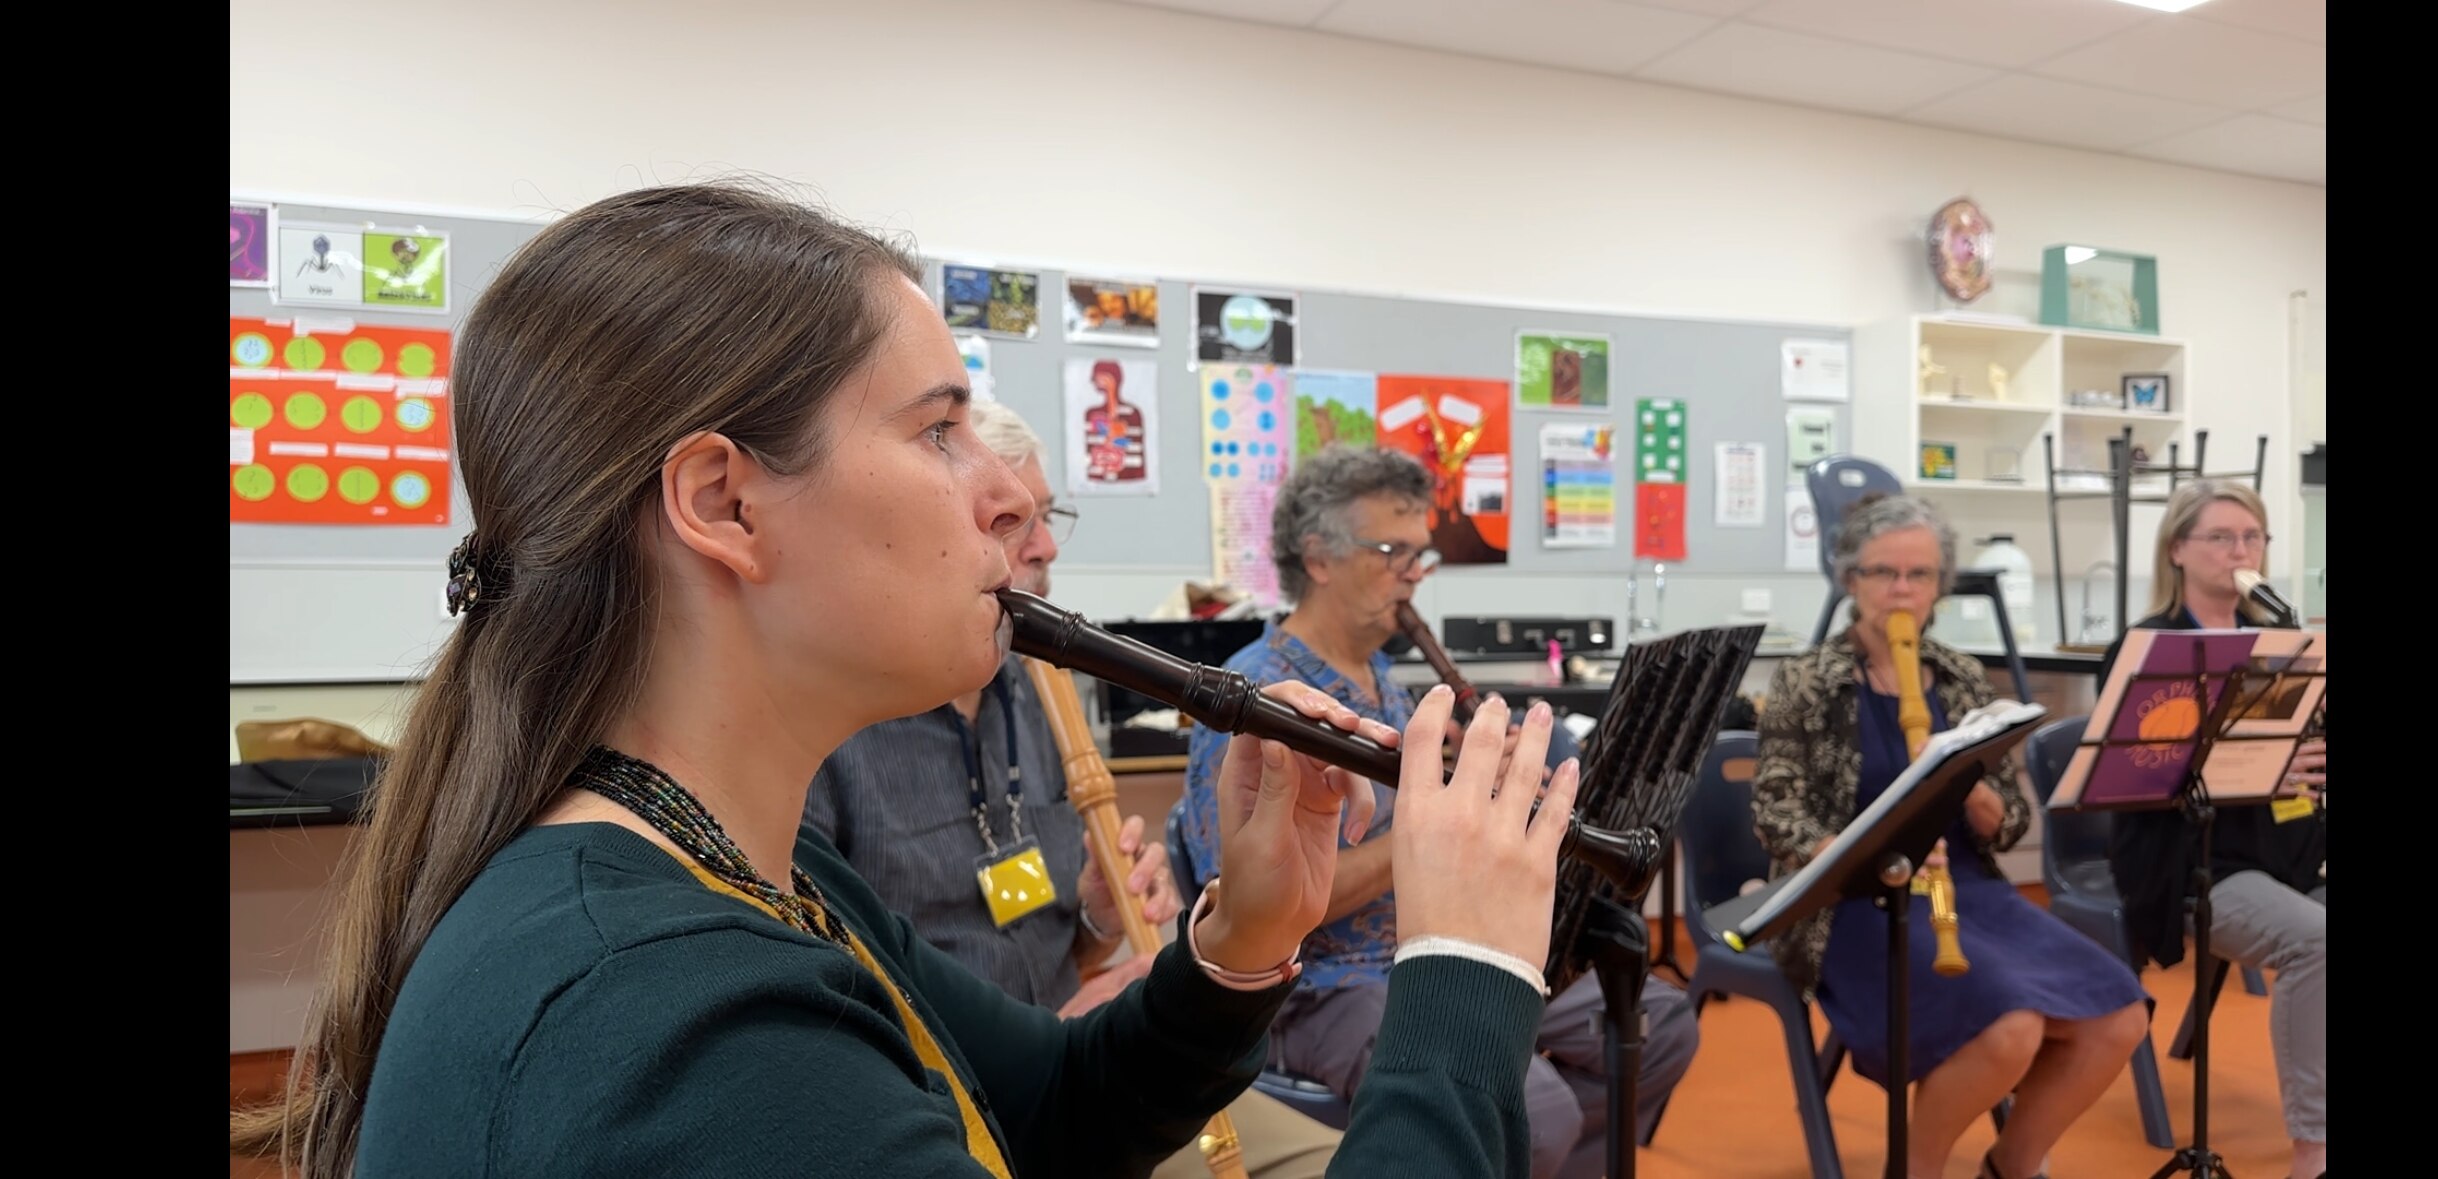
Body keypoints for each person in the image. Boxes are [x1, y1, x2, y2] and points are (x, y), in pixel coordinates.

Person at [226, 182, 1585, 1179]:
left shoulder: (747, 868)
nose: (1009, 502)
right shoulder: (672, 1019)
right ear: (724, 503)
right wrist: (1463, 969)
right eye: (940, 431)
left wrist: (1244, 936)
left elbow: (1051, 1111)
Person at [804, 399, 1342, 1178]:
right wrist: (1058, 1034)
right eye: (1012, 521)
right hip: (963, 1099)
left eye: (1047, 515)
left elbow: (1062, 947)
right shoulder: (835, 727)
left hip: (1090, 1062)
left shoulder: (1033, 688)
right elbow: (834, 1006)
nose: (1046, 545)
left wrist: (1095, 916)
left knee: (1334, 1159)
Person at [1178, 445, 1684, 1179]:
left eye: (1421, 554)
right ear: (1318, 558)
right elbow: (1243, 901)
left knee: (1660, 1025)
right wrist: (1434, 827)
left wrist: (1481, 782)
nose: (1414, 573)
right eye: (1394, 552)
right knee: (1537, 1108)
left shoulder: (1386, 680)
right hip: (1323, 984)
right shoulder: (1256, 694)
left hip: (1432, 942)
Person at [1752, 494, 2148, 1179]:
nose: (1902, 590)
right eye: (1884, 572)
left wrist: (1978, 793)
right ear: (1851, 580)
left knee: (2120, 1013)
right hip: (1850, 899)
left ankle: (2011, 1164)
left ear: (1940, 585)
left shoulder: (1962, 676)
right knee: (2009, 1026)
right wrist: (1853, 853)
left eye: (1920, 574)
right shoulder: (1807, 679)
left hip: (1964, 888)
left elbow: (2013, 821)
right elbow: (1775, 810)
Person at [2100, 478, 2326, 1179]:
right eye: (2221, 537)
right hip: (2188, 857)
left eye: (2252, 537)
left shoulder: (2285, 643)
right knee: (2316, 940)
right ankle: (2315, 1151)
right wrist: (2257, 770)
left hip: (2284, 849)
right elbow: (2138, 780)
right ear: (2177, 549)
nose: (2240, 551)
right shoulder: (2147, 648)